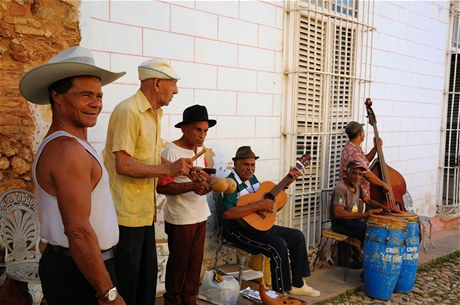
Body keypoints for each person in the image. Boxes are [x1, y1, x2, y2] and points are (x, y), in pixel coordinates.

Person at [20, 46, 126, 304]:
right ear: (57, 96)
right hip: (80, 270)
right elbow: (78, 231)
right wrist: (108, 293)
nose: (96, 103)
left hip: (78, 265)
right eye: (86, 95)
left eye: (99, 95)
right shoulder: (68, 150)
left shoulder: (69, 144)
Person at [103, 59, 192, 305]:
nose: (176, 91)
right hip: (126, 215)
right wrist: (167, 168)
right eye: (173, 85)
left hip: (144, 213)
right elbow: (124, 164)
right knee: (128, 286)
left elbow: (149, 158)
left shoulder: (155, 114)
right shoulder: (129, 111)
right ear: (156, 83)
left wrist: (185, 168)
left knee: (145, 285)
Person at [220, 146, 320, 297]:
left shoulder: (252, 179)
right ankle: (279, 293)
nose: (250, 168)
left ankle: (298, 284)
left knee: (297, 236)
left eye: (252, 165)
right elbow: (227, 214)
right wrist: (259, 205)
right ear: (236, 164)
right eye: (246, 164)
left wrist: (286, 184)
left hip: (256, 226)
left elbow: (264, 198)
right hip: (236, 231)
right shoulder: (231, 182)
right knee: (278, 245)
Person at [156, 104, 216, 305]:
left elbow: (204, 182)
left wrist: (206, 184)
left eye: (205, 131)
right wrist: (192, 186)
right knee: (178, 266)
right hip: (181, 218)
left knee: (194, 266)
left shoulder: (200, 151)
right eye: (198, 130)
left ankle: (190, 301)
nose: (202, 135)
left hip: (200, 215)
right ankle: (172, 301)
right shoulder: (170, 151)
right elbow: (162, 187)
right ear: (184, 128)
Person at [331, 160, 384, 244]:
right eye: (354, 173)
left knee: (377, 227)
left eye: (360, 174)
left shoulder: (357, 186)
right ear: (346, 173)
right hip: (340, 224)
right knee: (368, 232)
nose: (357, 177)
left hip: (353, 220)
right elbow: (338, 213)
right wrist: (364, 214)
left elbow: (368, 201)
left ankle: (358, 253)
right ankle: (363, 255)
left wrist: (383, 208)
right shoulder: (341, 189)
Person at [339, 121, 391, 197]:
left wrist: (375, 148)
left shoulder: (353, 146)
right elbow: (367, 174)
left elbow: (365, 160)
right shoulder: (353, 152)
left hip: (358, 193)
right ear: (360, 133)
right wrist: (384, 185)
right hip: (353, 195)